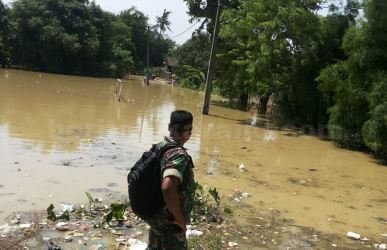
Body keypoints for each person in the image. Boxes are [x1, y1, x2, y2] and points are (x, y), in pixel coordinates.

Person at [146, 110, 195, 250]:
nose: (190, 133)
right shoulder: (178, 155)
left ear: (169, 127)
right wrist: (179, 218)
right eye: (189, 129)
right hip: (170, 222)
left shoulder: (160, 146)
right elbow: (167, 187)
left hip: (157, 216)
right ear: (185, 131)